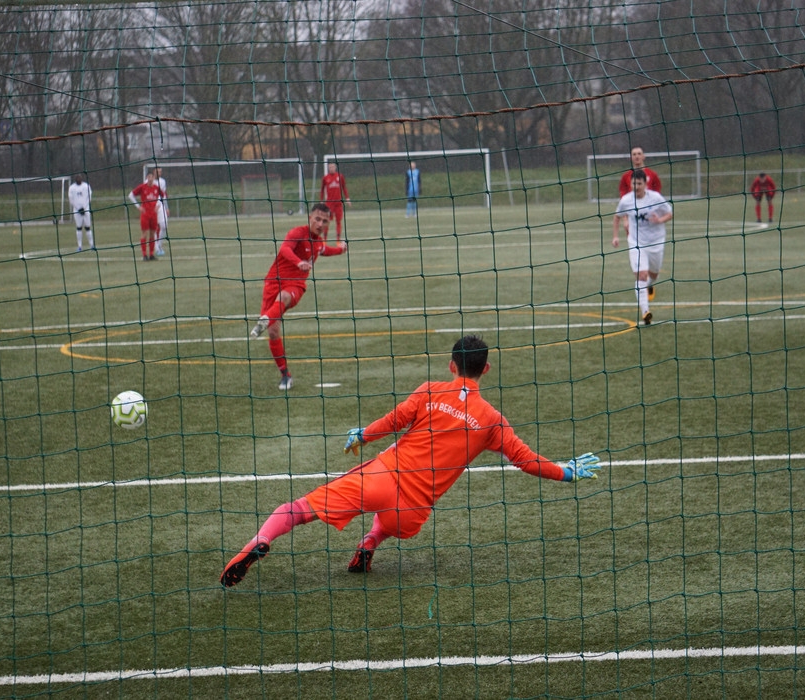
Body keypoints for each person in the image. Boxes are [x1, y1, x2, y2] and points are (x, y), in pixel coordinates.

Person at [221, 334, 602, 587]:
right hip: (413, 511)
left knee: (298, 508)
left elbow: (394, 421)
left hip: (381, 478)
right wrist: (566, 472)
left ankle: (257, 543)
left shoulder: (429, 391)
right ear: (485, 369)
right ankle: (370, 542)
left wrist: (362, 435)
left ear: (452, 365)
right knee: (390, 522)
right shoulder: (492, 420)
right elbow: (526, 461)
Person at [248, 203, 348, 391]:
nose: (320, 224)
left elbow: (325, 250)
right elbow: (285, 249)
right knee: (273, 333)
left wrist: (342, 249)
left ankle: (265, 319)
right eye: (317, 219)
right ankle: (286, 374)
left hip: (295, 286)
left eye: (324, 221)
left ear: (327, 224)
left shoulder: (317, 243)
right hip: (272, 283)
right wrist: (298, 261)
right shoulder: (297, 233)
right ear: (310, 217)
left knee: (284, 297)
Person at [612, 169, 673, 325]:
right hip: (636, 242)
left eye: (639, 183)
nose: (636, 186)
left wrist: (659, 220)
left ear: (645, 184)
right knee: (641, 275)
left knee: (653, 274)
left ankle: (650, 286)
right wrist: (616, 236)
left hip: (656, 241)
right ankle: (645, 312)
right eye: (634, 183)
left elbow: (669, 213)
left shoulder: (655, 198)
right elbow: (617, 216)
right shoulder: (626, 200)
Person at [128, 169, 166, 261]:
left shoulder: (156, 187)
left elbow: (163, 195)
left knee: (152, 234)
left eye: (151, 177)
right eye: (148, 177)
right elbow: (130, 195)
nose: (150, 179)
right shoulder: (142, 187)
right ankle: (144, 255)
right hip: (145, 214)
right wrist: (138, 207)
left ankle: (151, 254)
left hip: (153, 214)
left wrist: (158, 205)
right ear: (146, 178)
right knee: (144, 234)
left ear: (153, 178)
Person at [319, 161, 350, 241]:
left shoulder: (340, 176)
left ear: (335, 167)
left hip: (338, 203)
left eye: (332, 167)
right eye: (330, 167)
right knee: (326, 221)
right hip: (329, 204)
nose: (331, 168)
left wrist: (347, 198)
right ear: (328, 168)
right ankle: (325, 240)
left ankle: (338, 240)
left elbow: (344, 187)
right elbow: (322, 190)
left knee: (338, 221)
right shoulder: (325, 178)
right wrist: (321, 200)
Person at [67, 174, 94, 251]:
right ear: (75, 179)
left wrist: (84, 208)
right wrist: (78, 208)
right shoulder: (72, 188)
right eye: (77, 178)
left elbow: (89, 197)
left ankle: (91, 245)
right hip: (76, 210)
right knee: (79, 227)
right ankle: (79, 246)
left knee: (88, 227)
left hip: (86, 209)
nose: (79, 179)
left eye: (80, 178)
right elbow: (71, 199)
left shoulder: (86, 186)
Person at [153, 167, 169, 255]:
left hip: (161, 205)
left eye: (160, 172)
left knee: (164, 225)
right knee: (154, 227)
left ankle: (159, 245)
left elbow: (164, 195)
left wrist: (166, 207)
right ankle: (157, 248)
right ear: (154, 172)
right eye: (157, 171)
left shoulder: (162, 181)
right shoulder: (148, 182)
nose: (159, 173)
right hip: (152, 206)